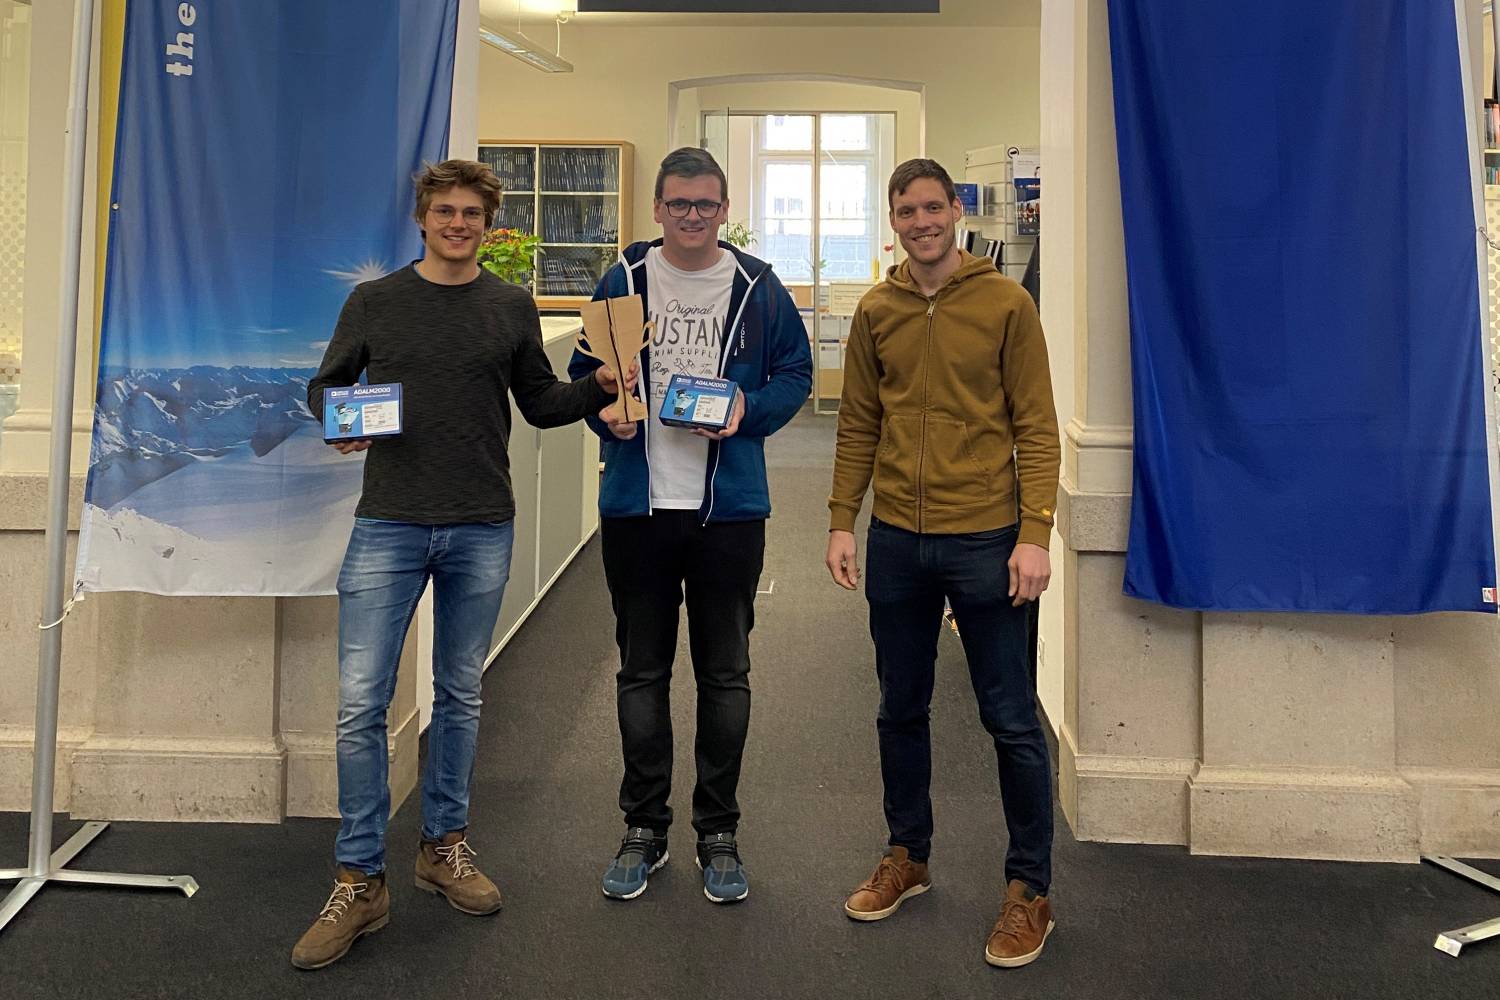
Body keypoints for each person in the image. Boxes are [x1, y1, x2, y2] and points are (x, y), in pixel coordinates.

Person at [293, 159, 632, 970]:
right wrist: (336, 419)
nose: (456, 223)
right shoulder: (376, 301)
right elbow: (326, 386)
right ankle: (358, 878)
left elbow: (542, 405)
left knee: (460, 696)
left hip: (481, 523)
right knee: (359, 707)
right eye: (444, 211)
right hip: (389, 523)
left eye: (471, 213)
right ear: (422, 219)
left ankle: (442, 848)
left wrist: (599, 390)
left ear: (489, 223)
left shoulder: (510, 305)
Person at [824, 158, 1061, 968]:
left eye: (933, 207)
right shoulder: (876, 309)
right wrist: (839, 523)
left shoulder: (1005, 303)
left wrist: (1035, 532)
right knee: (900, 706)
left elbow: (1036, 425)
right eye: (906, 210)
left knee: (1010, 718)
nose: (921, 222)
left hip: (986, 539)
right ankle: (908, 856)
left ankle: (1030, 892)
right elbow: (857, 422)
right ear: (892, 219)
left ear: (955, 210)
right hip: (895, 537)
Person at [569, 147, 811, 905]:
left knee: (725, 674)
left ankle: (718, 833)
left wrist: (748, 412)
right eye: (679, 204)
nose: (693, 217)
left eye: (706, 205)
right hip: (638, 509)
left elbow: (795, 375)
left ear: (724, 207)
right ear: (657, 208)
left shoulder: (758, 287)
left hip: (727, 513)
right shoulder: (624, 281)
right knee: (640, 672)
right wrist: (604, 405)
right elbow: (586, 379)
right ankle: (643, 828)